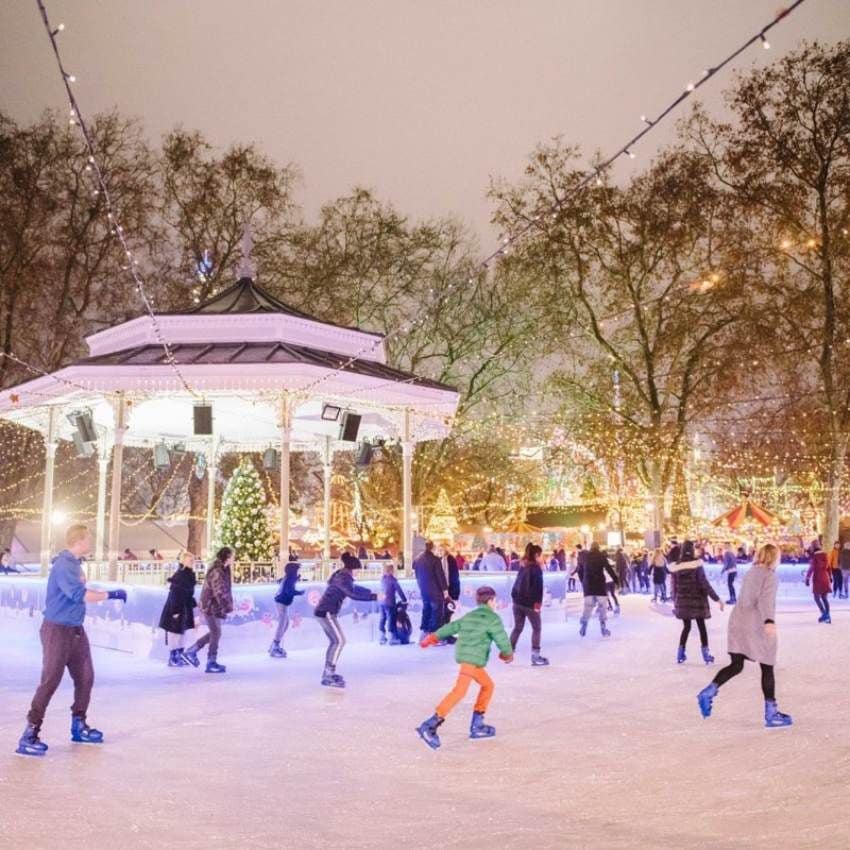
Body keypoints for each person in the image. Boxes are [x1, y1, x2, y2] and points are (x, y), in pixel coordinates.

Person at [16, 524, 127, 757]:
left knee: (86, 677)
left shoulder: (75, 564)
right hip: (57, 630)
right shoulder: (65, 564)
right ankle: (30, 733)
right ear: (80, 540)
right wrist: (111, 595)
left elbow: (79, 592)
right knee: (51, 681)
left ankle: (79, 724)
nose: (91, 542)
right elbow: (78, 594)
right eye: (89, 538)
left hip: (75, 630)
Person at [697, 543, 792, 727]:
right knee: (767, 665)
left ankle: (709, 691)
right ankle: (771, 714)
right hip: (756, 623)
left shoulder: (751, 572)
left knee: (736, 664)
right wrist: (769, 621)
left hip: (738, 621)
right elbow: (766, 600)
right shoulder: (770, 576)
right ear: (774, 558)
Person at [416, 585, 513, 750]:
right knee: (459, 692)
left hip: (467, 657)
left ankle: (477, 724)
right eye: (494, 600)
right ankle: (430, 725)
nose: (495, 603)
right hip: (471, 659)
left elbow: (451, 627)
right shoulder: (493, 619)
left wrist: (431, 638)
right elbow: (502, 640)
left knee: (488, 685)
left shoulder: (470, 615)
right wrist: (507, 654)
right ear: (490, 601)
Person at [313, 550, 377, 687]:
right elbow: (352, 593)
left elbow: (354, 588)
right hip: (326, 612)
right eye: (357, 570)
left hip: (325, 612)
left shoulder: (343, 576)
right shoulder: (343, 578)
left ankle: (328, 672)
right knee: (340, 641)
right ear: (352, 569)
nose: (358, 573)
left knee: (336, 641)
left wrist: (370, 592)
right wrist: (373, 597)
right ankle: (328, 673)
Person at [669, 540, 723, 664]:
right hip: (697, 601)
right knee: (701, 627)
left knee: (686, 627)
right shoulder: (697, 565)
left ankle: (680, 653)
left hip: (683, 602)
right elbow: (704, 584)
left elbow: (674, 587)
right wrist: (717, 598)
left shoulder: (677, 567)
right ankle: (706, 654)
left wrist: (675, 602)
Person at [183, 547, 234, 673]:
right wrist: (227, 606)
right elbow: (219, 591)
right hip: (211, 605)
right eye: (233, 556)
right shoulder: (218, 571)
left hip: (213, 605)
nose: (234, 558)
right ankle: (210, 662)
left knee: (215, 632)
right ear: (227, 557)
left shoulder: (224, 569)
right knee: (216, 632)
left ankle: (192, 651)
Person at [509, 543, 549, 666]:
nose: (542, 558)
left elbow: (516, 585)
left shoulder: (523, 566)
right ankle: (535, 657)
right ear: (537, 555)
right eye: (541, 555)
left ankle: (508, 652)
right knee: (537, 628)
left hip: (517, 603)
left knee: (517, 627)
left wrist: (515, 599)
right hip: (530, 604)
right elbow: (538, 589)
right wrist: (537, 606)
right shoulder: (536, 568)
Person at [157, 551, 197, 667]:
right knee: (175, 633)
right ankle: (173, 657)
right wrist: (175, 611)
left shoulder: (189, 575)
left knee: (182, 633)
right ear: (183, 561)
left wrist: (194, 604)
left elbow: (188, 594)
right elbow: (174, 594)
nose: (192, 562)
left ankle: (179, 655)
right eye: (190, 560)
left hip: (184, 608)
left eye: (193, 560)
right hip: (176, 608)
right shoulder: (179, 575)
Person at [578, 542, 619, 638]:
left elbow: (579, 569)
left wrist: (583, 581)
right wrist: (616, 580)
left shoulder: (585, 557)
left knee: (588, 607)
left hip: (588, 586)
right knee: (602, 607)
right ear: (598, 548)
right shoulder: (601, 556)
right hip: (600, 585)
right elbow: (609, 569)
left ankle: (584, 624)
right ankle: (603, 627)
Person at [413, 541, 449, 637]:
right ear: (432, 548)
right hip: (435, 591)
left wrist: (421, 587)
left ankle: (424, 633)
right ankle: (434, 636)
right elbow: (440, 576)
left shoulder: (417, 560)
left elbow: (417, 576)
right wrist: (445, 590)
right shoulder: (435, 560)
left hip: (424, 591)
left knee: (426, 610)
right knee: (436, 613)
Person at [270, 559, 303, 658]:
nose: (299, 572)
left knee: (285, 623)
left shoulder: (289, 577)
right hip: (281, 602)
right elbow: (289, 591)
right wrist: (299, 592)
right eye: (297, 570)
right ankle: (275, 645)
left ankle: (275, 644)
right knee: (283, 623)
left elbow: (281, 583)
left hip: (281, 602)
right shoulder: (290, 578)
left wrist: (296, 580)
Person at [379, 562, 407, 645]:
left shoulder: (382, 579)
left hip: (381, 602)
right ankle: (392, 638)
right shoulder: (393, 580)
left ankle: (382, 637)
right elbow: (399, 591)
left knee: (382, 618)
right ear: (391, 571)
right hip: (390, 603)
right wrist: (404, 600)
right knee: (391, 619)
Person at [805, 547, 832, 623]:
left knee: (816, 598)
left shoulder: (815, 558)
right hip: (825, 579)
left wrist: (807, 578)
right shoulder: (826, 557)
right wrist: (830, 577)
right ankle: (828, 615)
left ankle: (824, 613)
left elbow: (811, 568)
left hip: (817, 579)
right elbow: (829, 568)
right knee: (824, 598)